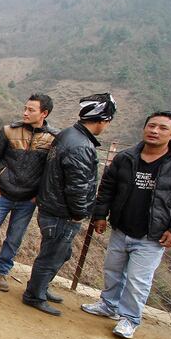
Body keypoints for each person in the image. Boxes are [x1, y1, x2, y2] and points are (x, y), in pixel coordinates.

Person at [82, 111, 171, 339]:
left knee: (137, 280)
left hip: (153, 235)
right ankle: (108, 305)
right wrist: (100, 215)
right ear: (144, 128)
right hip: (121, 228)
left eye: (163, 128)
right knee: (112, 269)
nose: (154, 131)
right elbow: (107, 188)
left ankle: (129, 319)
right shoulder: (126, 157)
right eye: (151, 126)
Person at [22, 94, 116, 316]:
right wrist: (79, 213)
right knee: (51, 255)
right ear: (102, 120)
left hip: (52, 207)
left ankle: (41, 288)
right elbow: (77, 186)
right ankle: (34, 295)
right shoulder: (81, 146)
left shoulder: (68, 135)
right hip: (61, 212)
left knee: (59, 252)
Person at [0, 93, 59, 292]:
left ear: (44, 113)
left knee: (15, 238)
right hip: (2, 194)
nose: (25, 112)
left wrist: (38, 195)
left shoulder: (52, 139)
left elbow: (52, 172)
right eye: (25, 108)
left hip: (28, 199)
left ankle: (1, 271)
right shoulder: (9, 131)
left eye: (31, 110)